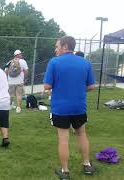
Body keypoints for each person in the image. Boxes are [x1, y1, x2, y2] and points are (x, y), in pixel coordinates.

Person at [44, 36, 96, 180]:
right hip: (79, 106)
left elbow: (47, 86)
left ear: (65, 46)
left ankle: (65, 171)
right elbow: (91, 86)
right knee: (82, 135)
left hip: (60, 108)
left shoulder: (54, 62)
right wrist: (77, 89)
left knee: (63, 139)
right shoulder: (85, 63)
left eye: (57, 46)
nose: (55, 49)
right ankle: (87, 165)